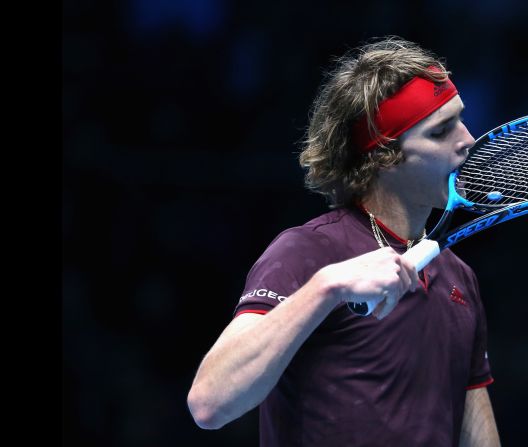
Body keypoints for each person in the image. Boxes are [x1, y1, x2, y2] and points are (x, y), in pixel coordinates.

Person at [187, 36, 500, 446]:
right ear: (384, 157)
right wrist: (327, 287)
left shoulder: (459, 278)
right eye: (440, 132)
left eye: (461, 119)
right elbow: (210, 403)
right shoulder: (306, 253)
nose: (468, 140)